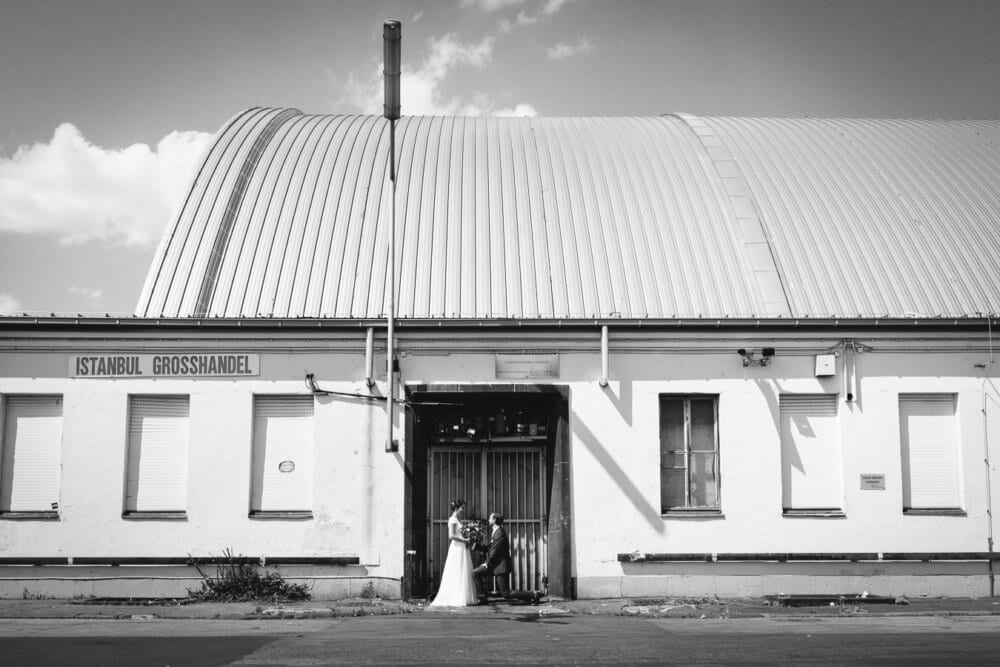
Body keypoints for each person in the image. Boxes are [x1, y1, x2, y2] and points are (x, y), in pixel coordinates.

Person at [429, 499, 479, 607]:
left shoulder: (458, 520)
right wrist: (465, 540)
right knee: (457, 569)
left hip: (462, 547)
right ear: (456, 508)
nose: (463, 510)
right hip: (457, 548)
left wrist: (468, 537)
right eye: (462, 508)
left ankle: (463, 596)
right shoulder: (452, 520)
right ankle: (455, 596)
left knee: (463, 570)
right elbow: (451, 536)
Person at [473, 512, 511, 598]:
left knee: (506, 594)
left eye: (490, 518)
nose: (488, 520)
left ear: (494, 520)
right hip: (495, 565)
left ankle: (533, 594)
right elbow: (489, 548)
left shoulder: (499, 533)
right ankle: (482, 597)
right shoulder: (496, 532)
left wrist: (487, 563)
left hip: (500, 567)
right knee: (475, 573)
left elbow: (494, 551)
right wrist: (474, 545)